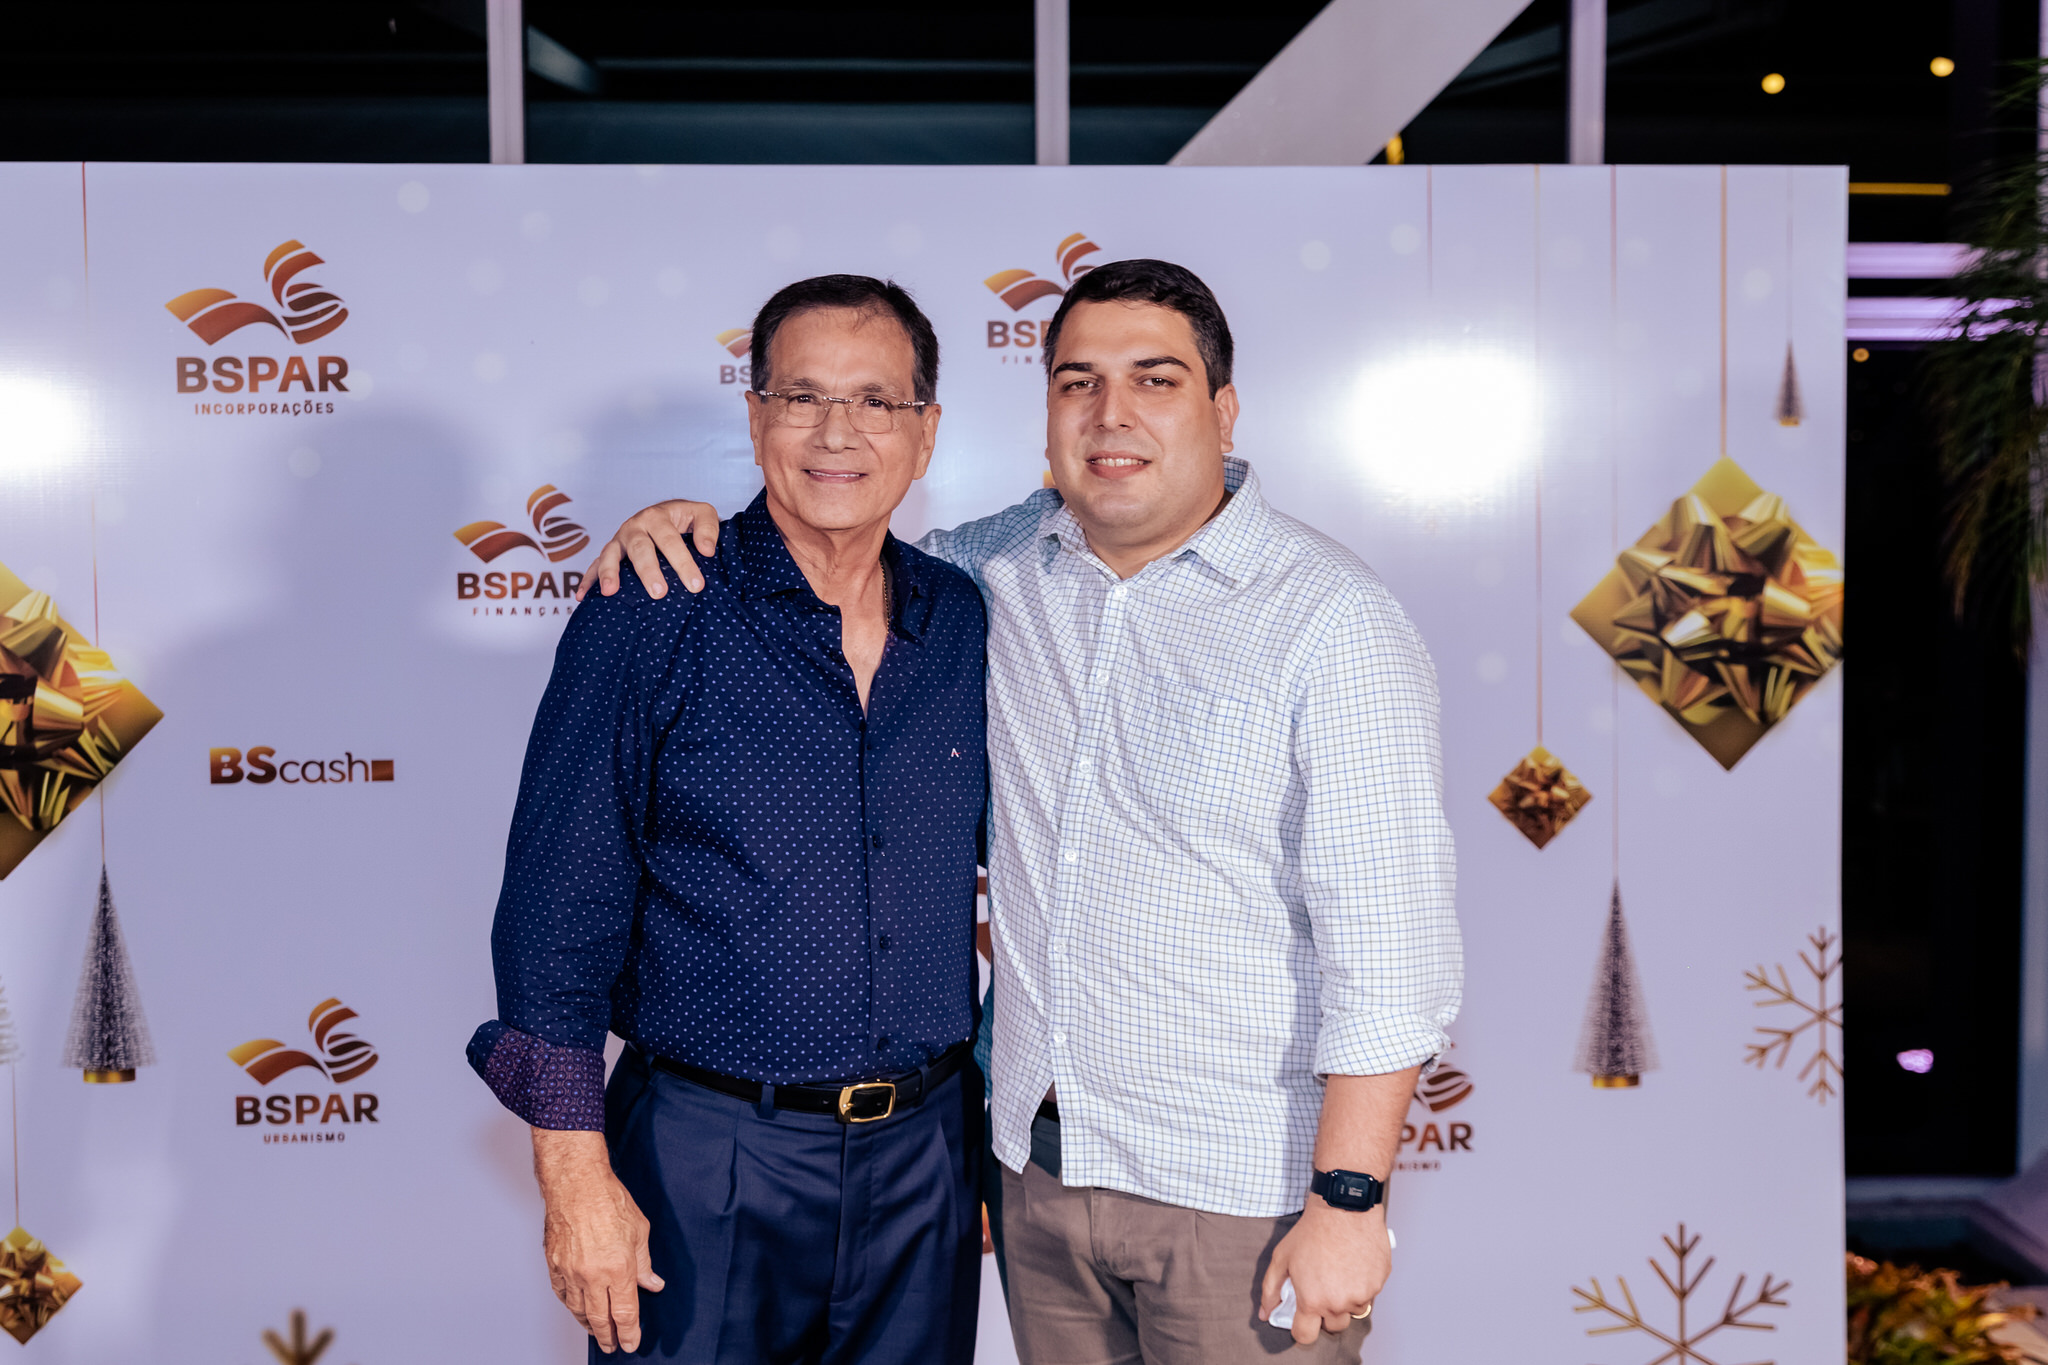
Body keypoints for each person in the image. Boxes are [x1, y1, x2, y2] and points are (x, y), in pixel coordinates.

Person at [584, 259, 1462, 1364]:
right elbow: (831, 533)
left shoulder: (1333, 622)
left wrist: (1350, 1197)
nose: (1111, 413)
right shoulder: (988, 573)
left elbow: (1390, 948)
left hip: (1240, 1196)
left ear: (1223, 409)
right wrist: (683, 528)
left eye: (1155, 379)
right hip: (1037, 1186)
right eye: (1077, 381)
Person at [468, 274, 989, 1364]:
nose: (837, 433)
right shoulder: (653, 607)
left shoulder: (962, 618)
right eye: (801, 398)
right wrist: (574, 1180)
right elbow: (557, 910)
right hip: (705, 1155)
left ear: (926, 431)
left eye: (875, 401)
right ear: (755, 418)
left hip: (927, 1161)